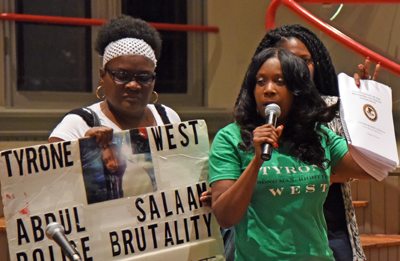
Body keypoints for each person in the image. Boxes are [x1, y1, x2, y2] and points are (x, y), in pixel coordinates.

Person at [208, 47, 374, 260]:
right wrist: (256, 162)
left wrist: (366, 109)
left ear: (297, 90)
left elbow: (370, 167)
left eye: (280, 81)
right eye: (260, 81)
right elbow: (225, 217)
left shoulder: (319, 136)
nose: (268, 89)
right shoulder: (230, 138)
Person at [252, 24, 381, 261]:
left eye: (306, 60)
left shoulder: (334, 107)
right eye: (292, 60)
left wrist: (364, 106)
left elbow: (354, 167)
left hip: (331, 225)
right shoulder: (258, 112)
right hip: (274, 231)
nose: (299, 67)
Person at [48, 15, 181, 146]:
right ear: (102, 76)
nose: (134, 85)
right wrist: (86, 151)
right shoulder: (78, 124)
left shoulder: (167, 117)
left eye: (144, 77)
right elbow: (52, 166)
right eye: (122, 76)